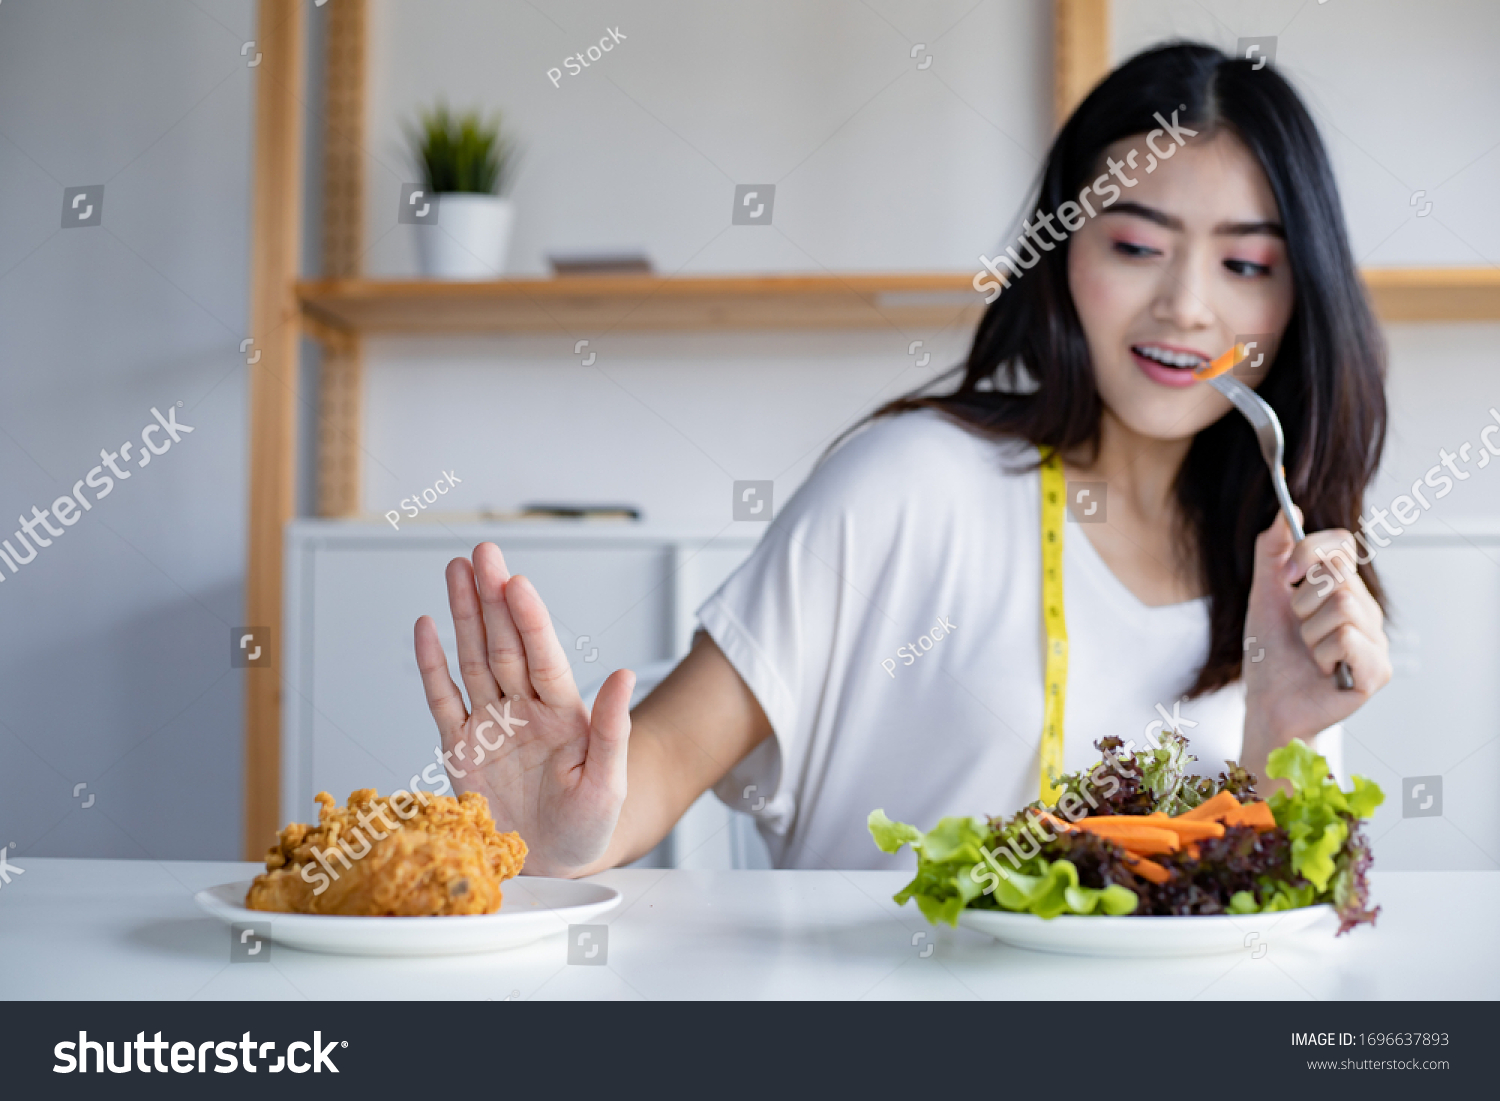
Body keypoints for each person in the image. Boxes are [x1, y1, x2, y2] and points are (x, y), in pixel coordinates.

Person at [412, 43, 1391, 875]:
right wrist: (556, 826)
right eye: (1138, 244)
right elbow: (668, 751)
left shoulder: (1284, 564)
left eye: (1248, 265)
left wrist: (1283, 734)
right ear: (1063, 255)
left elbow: (1277, 914)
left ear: (1298, 299)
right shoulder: (909, 484)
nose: (1187, 305)